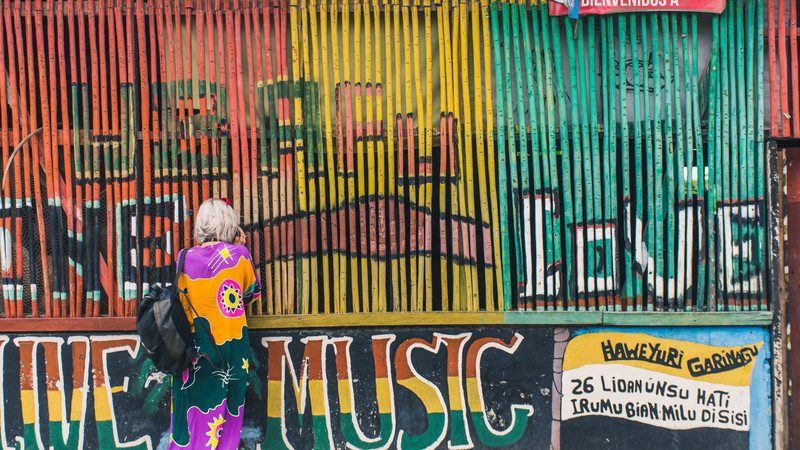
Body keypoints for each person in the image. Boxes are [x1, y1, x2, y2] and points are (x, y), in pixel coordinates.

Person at [168, 198, 261, 450]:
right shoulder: (240, 255)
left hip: (193, 352)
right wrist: (240, 247)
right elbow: (251, 293)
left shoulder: (183, 257)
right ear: (229, 225)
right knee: (228, 421)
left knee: (191, 419)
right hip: (230, 351)